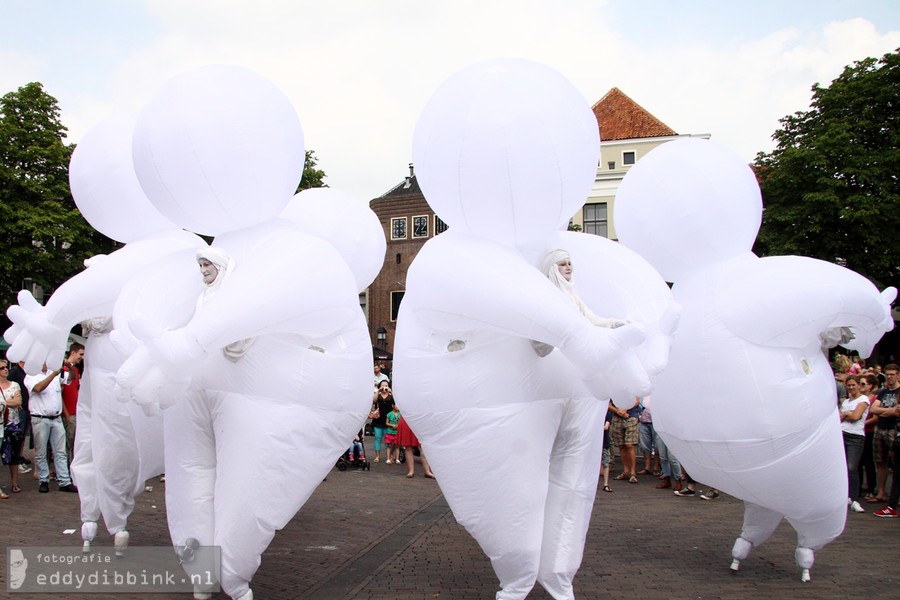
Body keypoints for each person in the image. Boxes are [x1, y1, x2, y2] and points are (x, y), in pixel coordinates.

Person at [24, 363, 77, 493]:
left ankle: (64, 481)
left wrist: (69, 368)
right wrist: (54, 374)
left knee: (60, 452)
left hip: (56, 418)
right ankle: (43, 480)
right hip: (40, 418)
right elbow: (38, 388)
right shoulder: (31, 375)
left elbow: (71, 378)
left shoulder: (55, 373)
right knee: (41, 452)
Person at [869, 364, 899, 504]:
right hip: (880, 428)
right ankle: (881, 492)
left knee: (896, 463)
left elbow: (897, 412)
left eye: (892, 374)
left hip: (894, 429)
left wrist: (883, 411)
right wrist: (890, 411)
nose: (889, 376)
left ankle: (895, 496)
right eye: (887, 374)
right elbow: (873, 409)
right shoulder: (882, 391)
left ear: (898, 375)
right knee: (880, 461)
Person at [839, 375, 870, 513]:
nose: (851, 388)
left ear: (858, 385)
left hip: (856, 437)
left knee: (852, 467)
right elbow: (839, 417)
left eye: (853, 385)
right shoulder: (846, 402)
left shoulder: (863, 399)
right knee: (843, 468)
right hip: (842, 434)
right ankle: (846, 496)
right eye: (849, 385)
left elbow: (856, 416)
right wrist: (847, 414)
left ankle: (855, 498)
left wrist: (846, 415)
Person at [1, 359, 25, 497]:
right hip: (0, 424)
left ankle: (14, 483)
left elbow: (18, 401)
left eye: (6, 367)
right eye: (2, 368)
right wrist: (9, 402)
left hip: (13, 423)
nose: (5, 369)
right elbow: (13, 402)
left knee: (14, 455)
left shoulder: (15, 385)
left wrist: (2, 402)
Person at [61, 342, 84, 464]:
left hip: (75, 412)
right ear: (73, 353)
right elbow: (60, 393)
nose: (82, 357)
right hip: (68, 413)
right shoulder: (63, 370)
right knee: (67, 443)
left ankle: (70, 468)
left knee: (73, 443)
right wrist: (66, 413)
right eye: (80, 354)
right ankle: (64, 471)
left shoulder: (75, 370)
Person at [609, 397, 642, 483]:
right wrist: (618, 411)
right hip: (617, 416)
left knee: (629, 445)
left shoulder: (633, 385)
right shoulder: (612, 387)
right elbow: (607, 404)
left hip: (631, 416)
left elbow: (637, 401)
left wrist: (625, 410)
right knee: (621, 445)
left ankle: (633, 473)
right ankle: (626, 471)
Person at [859, 374, 880, 502]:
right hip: (860, 432)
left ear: (870, 386)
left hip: (870, 431)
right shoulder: (858, 399)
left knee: (869, 461)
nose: (861, 386)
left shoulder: (875, 398)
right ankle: (858, 487)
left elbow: (875, 417)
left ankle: (871, 488)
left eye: (863, 384)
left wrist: (862, 423)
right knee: (859, 461)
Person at [396, 411, 434, 478]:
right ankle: (411, 471)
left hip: (420, 419)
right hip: (407, 419)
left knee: (423, 446)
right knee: (408, 447)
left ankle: (427, 471)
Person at [371, 381, 394, 463]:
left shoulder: (391, 395)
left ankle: (390, 455)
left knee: (389, 439)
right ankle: (377, 456)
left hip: (389, 420)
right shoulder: (378, 394)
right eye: (383, 385)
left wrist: (391, 391)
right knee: (377, 438)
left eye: (386, 385)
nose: (384, 387)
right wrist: (378, 391)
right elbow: (374, 401)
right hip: (378, 419)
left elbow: (396, 402)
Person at [636, 396, 659, 476]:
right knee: (644, 446)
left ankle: (656, 467)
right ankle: (647, 467)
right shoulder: (643, 394)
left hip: (655, 422)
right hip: (643, 421)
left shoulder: (657, 392)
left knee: (657, 446)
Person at [600, 412, 613, 493]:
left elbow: (606, 427)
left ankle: (606, 484)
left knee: (606, 463)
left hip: (604, 442)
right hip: (594, 441)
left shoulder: (608, 413)